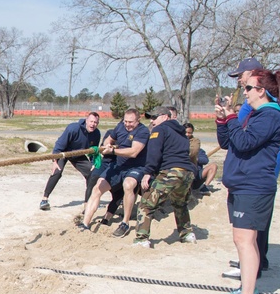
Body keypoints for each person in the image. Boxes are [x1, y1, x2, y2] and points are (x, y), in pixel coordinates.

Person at [215, 68, 280, 294]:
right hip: (242, 185)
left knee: (245, 241)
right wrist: (223, 120)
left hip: (254, 186)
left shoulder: (270, 116)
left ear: (261, 91)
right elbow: (229, 142)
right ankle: (248, 288)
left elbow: (246, 142)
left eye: (248, 88)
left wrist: (233, 119)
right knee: (244, 240)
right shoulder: (257, 115)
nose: (244, 92)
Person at [132, 106, 197, 248]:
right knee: (180, 204)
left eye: (155, 117)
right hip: (187, 173)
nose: (152, 120)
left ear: (166, 117)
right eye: (150, 118)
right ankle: (186, 234)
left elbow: (154, 153)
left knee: (146, 204)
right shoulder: (181, 133)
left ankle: (141, 239)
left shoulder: (159, 130)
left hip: (171, 172)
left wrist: (148, 172)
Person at [79, 108, 149, 237]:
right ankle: (85, 224)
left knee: (128, 185)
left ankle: (125, 223)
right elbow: (109, 139)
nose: (127, 124)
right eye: (125, 121)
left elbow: (134, 152)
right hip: (118, 165)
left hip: (135, 167)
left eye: (131, 122)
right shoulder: (120, 127)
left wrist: (113, 151)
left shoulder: (143, 131)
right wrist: (107, 145)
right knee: (97, 188)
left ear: (138, 120)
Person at [39, 112, 100, 211]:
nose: (93, 124)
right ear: (86, 121)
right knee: (57, 172)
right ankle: (44, 200)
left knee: (92, 173)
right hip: (63, 152)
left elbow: (94, 150)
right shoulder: (73, 128)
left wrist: (93, 163)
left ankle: (87, 203)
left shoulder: (96, 133)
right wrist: (55, 161)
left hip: (78, 154)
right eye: (91, 121)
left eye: (95, 122)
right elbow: (59, 144)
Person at [184, 123, 217, 195]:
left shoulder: (198, 149)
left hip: (196, 174)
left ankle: (205, 187)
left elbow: (205, 160)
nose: (187, 134)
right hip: (184, 174)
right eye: (185, 132)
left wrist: (195, 159)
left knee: (213, 166)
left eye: (189, 133)